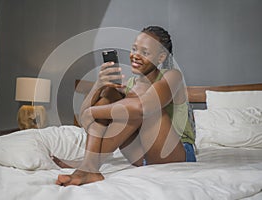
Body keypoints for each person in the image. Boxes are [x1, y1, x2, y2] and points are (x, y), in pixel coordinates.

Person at [55, 26, 196, 186]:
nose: (135, 55)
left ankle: (87, 164)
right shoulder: (130, 85)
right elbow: (84, 117)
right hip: (140, 156)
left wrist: (93, 112)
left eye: (145, 52)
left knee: (141, 107)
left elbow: (143, 109)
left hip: (174, 152)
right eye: (134, 49)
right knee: (110, 94)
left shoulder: (172, 76)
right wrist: (99, 85)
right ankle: (89, 166)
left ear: (161, 57)